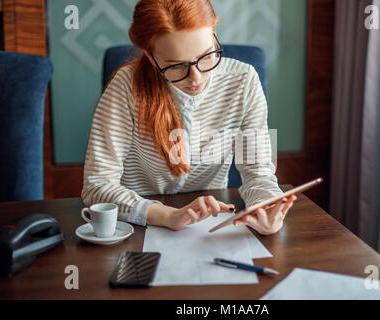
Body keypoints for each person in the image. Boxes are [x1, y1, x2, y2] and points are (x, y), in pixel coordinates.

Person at [81, 0, 297, 235]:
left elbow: (258, 172)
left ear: (214, 32)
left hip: (209, 222)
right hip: (138, 224)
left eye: (206, 56)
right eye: (176, 65)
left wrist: (266, 209)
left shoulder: (243, 81)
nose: (196, 77)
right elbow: (96, 186)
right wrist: (167, 215)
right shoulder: (125, 87)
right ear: (150, 56)